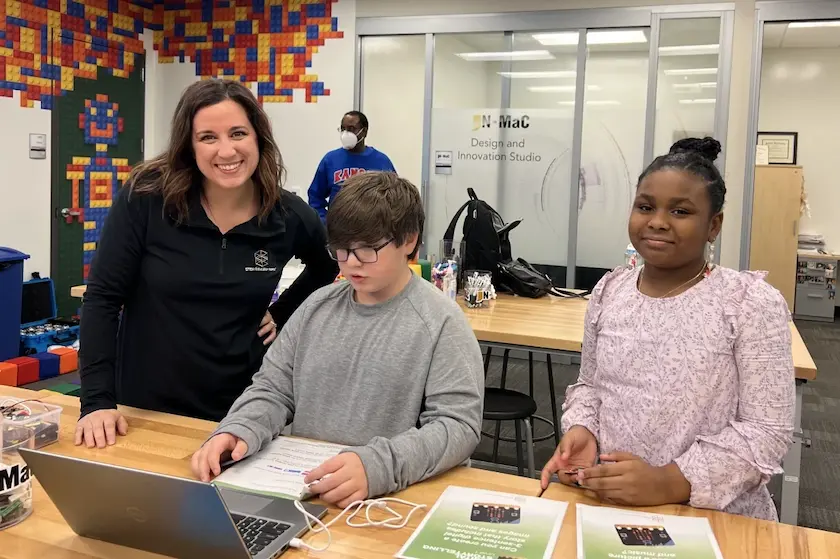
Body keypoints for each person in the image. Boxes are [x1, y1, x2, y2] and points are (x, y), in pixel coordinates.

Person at [192, 172, 484, 508]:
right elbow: (273, 388)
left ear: (409, 240)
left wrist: (377, 466)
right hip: (306, 489)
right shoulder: (317, 306)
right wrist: (239, 428)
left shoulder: (441, 322)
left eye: (368, 250)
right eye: (341, 250)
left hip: (390, 502)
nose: (352, 263)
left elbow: (457, 427)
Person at [540, 137, 795, 521]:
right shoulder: (611, 290)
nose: (657, 221)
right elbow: (591, 386)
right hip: (610, 503)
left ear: (714, 226)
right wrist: (583, 430)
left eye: (680, 211)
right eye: (645, 207)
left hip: (713, 516)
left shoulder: (748, 302)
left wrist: (668, 481)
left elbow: (767, 432)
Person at [75, 79, 339, 448]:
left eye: (237, 133)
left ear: (259, 137)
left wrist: (281, 312)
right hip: (145, 407)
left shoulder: (288, 214)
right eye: (208, 137)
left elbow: (325, 267)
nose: (226, 150)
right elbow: (102, 298)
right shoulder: (147, 199)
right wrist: (97, 401)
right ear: (189, 144)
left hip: (241, 412)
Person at [307, 111, 396, 222]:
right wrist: (325, 222)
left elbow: (395, 199)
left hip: (372, 231)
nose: (346, 133)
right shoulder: (330, 160)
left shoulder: (381, 161)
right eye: (343, 129)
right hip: (339, 231)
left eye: (351, 128)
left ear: (364, 132)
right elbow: (315, 196)